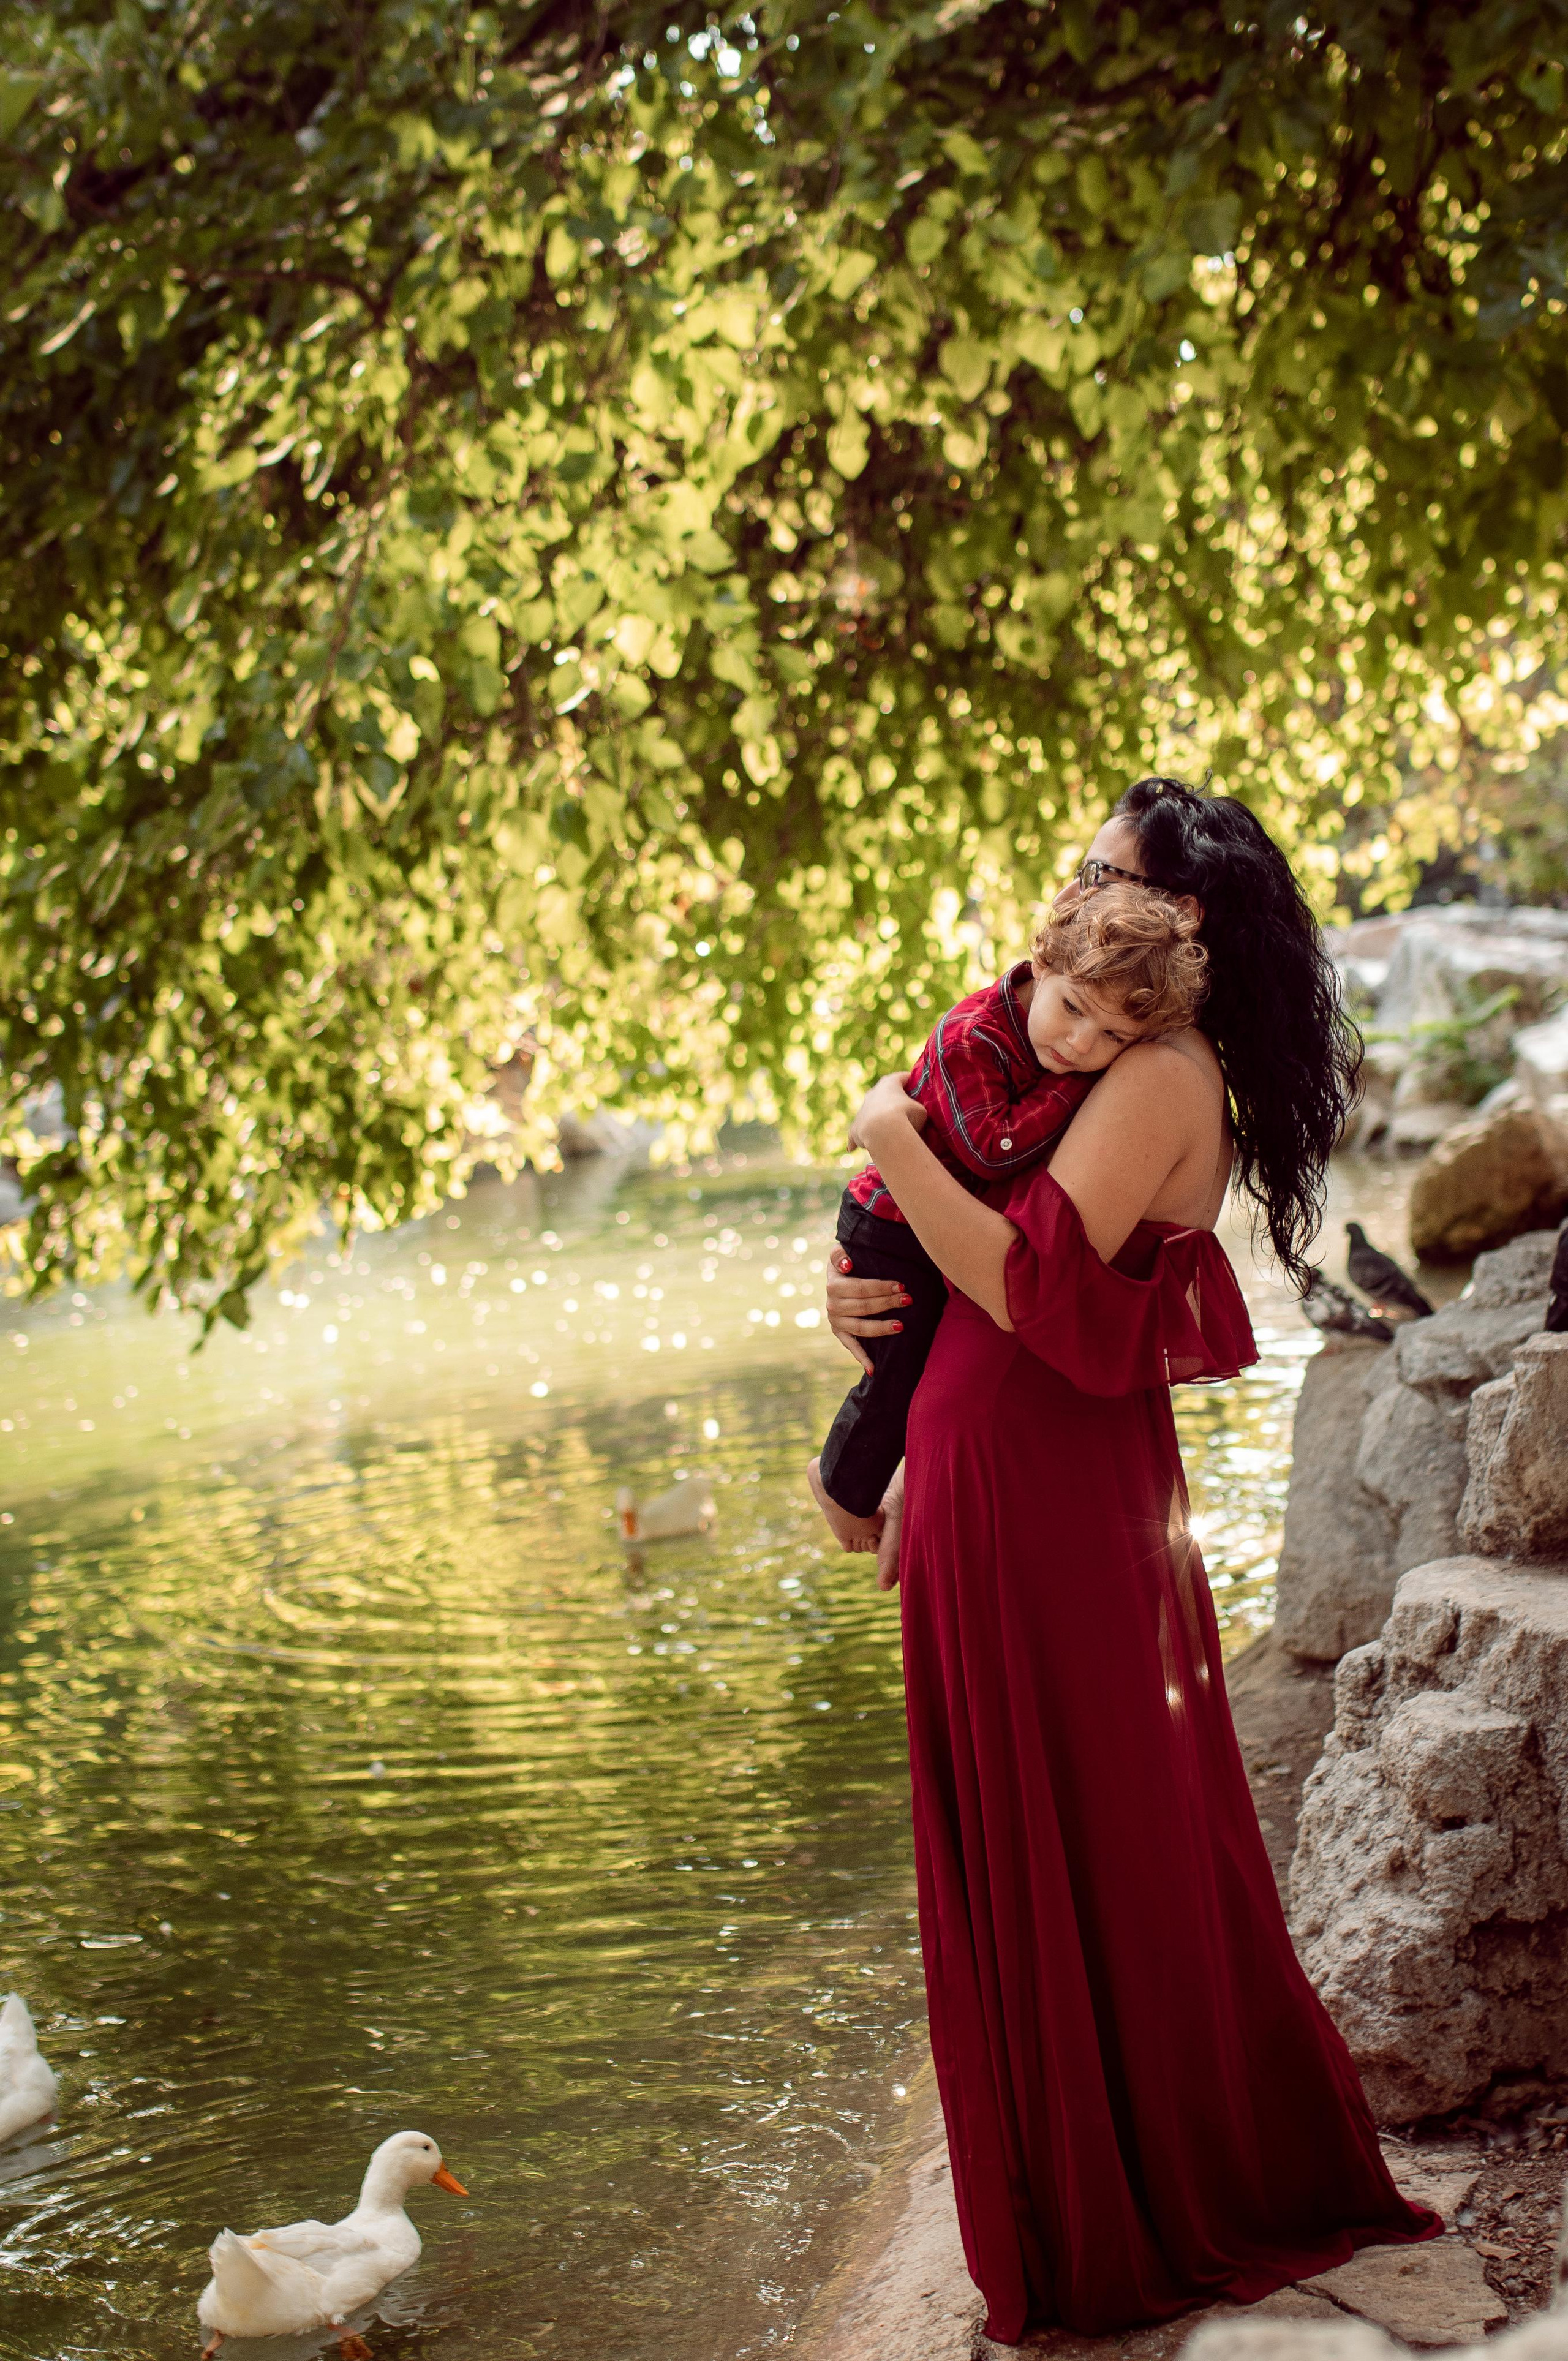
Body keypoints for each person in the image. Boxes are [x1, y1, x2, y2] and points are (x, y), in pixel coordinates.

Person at [823, 778, 1439, 2339]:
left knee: (1089, 1810)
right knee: (1067, 1805)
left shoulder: (1156, 1069)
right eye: (1083, 862)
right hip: (1007, 1452)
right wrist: (864, 1295)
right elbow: (972, 1250)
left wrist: (885, 1138)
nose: (1081, 879)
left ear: (1191, 919)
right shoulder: (1094, 1044)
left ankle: (1122, 2197)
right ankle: (1097, 2169)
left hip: (1043, 1467)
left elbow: (1030, 1289)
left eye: (1112, 870)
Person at [807, 886, 1208, 1553]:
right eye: (1074, 1010)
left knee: (922, 1353)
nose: (1081, 1043)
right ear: (1042, 965)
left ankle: (886, 1482)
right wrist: (1081, 1088)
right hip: (891, 1223)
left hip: (926, 1215)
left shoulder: (1062, 1038)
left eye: (1114, 1037)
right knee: (898, 1367)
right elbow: (993, 1153)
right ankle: (840, 1484)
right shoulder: (973, 1039)